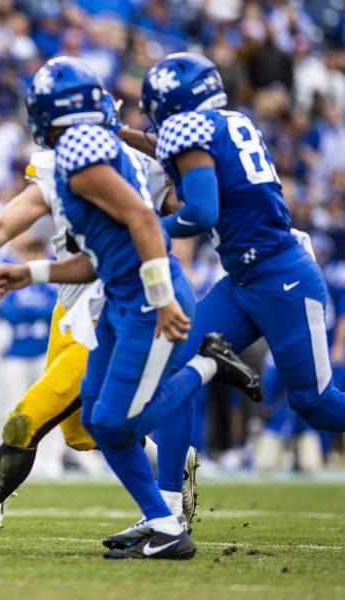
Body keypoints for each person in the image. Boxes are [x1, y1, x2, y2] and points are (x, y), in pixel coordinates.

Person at [0, 58, 261, 558]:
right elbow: (13, 228)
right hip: (84, 298)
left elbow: (151, 221)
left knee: (26, 421)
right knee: (83, 431)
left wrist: (162, 293)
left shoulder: (108, 156)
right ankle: (168, 479)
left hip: (117, 303)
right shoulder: (66, 158)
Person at [112, 52, 345, 526]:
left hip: (282, 278)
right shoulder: (226, 122)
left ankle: (169, 505)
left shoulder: (191, 131)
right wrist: (115, 135)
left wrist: (144, 226)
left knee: (315, 404)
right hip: (244, 279)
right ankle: (169, 510)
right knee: (174, 370)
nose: (155, 118)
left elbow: (200, 213)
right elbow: (168, 149)